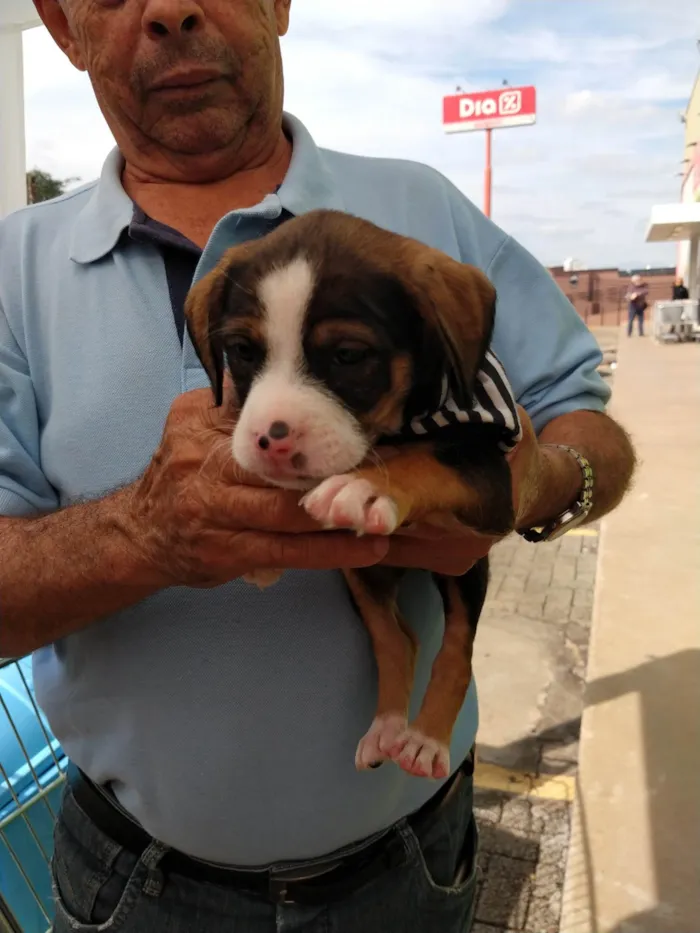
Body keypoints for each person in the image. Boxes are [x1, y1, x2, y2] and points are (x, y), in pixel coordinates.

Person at [0, 2, 636, 931]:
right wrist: (143, 531)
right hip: (132, 882)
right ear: (64, 25)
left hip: (412, 861)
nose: (169, 8)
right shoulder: (13, 273)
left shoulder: (423, 218)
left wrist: (533, 489)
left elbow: (594, 436)